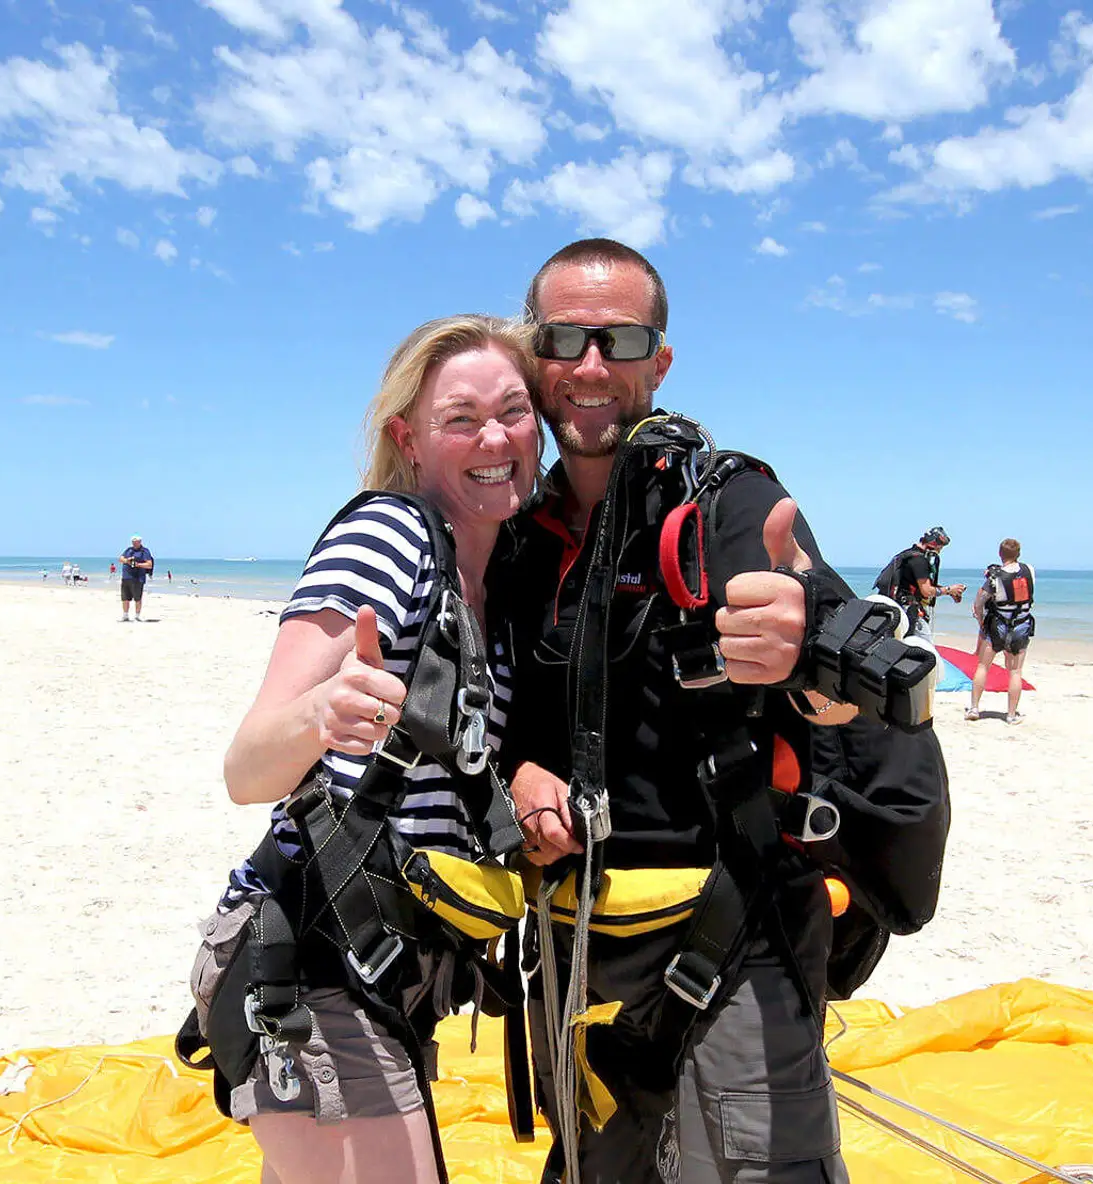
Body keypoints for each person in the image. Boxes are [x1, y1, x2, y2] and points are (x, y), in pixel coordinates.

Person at [498, 238, 868, 1183]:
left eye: (618, 340)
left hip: (731, 943)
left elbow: (836, 683)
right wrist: (514, 778)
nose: (590, 365)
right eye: (566, 338)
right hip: (578, 958)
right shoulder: (514, 539)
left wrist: (806, 656)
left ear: (659, 362)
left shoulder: (728, 507)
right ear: (535, 357)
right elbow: (501, 720)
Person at [189, 314, 542, 1182]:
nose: (494, 437)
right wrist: (323, 712)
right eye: (460, 418)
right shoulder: (387, 537)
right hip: (310, 958)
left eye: (513, 410)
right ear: (408, 439)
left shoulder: (493, 580)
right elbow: (247, 768)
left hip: (387, 969)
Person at [968, 539, 1036, 722]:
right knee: (1015, 671)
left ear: (1000, 554)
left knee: (983, 666)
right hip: (1021, 625)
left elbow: (979, 601)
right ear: (1019, 553)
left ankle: (974, 708)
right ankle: (1012, 715)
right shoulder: (1029, 570)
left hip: (998, 626)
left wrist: (981, 621)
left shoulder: (994, 577)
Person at [879, 528, 965, 639]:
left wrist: (949, 592)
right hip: (908, 609)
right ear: (933, 543)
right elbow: (927, 591)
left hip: (895, 605)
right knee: (926, 647)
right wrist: (949, 589)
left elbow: (915, 584)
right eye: (940, 548)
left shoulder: (906, 554)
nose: (939, 551)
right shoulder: (919, 561)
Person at [119, 534, 155, 621]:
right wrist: (127, 561)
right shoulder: (128, 550)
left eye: (136, 542)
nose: (134, 544)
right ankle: (125, 615)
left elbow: (149, 565)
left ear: (140, 542)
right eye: (133, 542)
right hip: (126, 577)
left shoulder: (144, 551)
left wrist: (138, 564)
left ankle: (137, 616)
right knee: (125, 598)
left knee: (137, 598)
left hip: (138, 578)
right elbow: (120, 558)